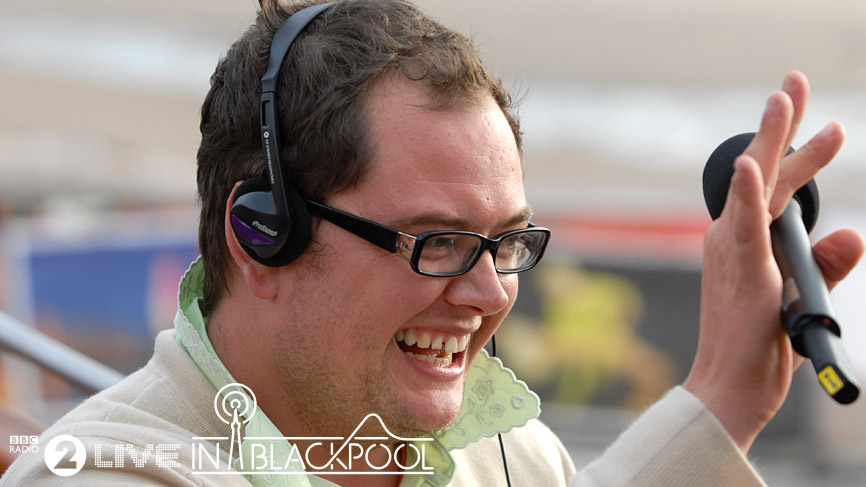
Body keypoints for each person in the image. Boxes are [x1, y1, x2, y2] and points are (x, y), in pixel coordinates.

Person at [2, 0, 863, 485]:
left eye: (507, 241)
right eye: (439, 242)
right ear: (261, 233)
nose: (490, 293)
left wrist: (721, 404)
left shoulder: (508, 455)